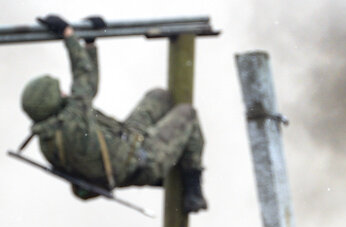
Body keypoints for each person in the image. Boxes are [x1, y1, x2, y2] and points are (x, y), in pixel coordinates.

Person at [20, 14, 208, 214]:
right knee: (188, 114)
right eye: (58, 92)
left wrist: (89, 44)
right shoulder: (73, 121)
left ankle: (172, 161)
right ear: (50, 101)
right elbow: (83, 77)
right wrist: (69, 36)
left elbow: (88, 88)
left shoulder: (49, 136)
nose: (64, 93)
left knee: (159, 97)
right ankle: (191, 185)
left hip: (125, 145)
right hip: (140, 162)